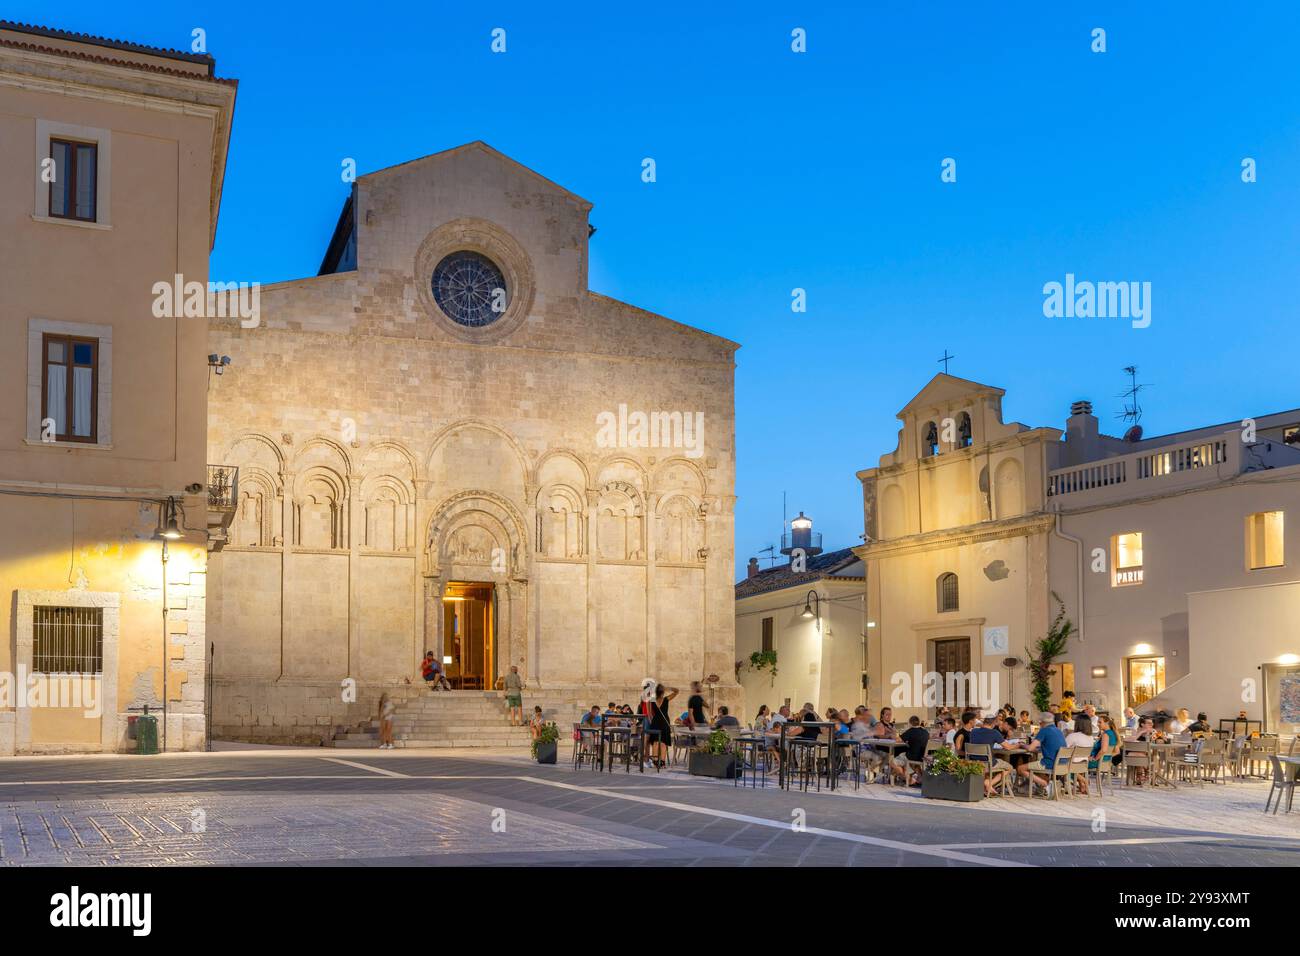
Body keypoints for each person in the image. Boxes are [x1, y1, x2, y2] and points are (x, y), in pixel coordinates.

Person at [969, 716, 1011, 795]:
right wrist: (1018, 745)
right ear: (993, 724)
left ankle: (986, 788)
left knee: (991, 761)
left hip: (973, 762)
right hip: (987, 764)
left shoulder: (973, 731)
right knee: (1009, 767)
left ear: (984, 722)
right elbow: (1008, 747)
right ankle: (989, 783)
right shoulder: (995, 732)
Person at [893, 715, 930, 786]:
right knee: (906, 758)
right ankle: (919, 778)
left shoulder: (911, 731)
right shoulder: (925, 732)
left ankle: (909, 779)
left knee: (892, 762)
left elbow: (897, 740)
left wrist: (893, 734)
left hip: (911, 756)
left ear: (910, 723)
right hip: (922, 757)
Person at [647, 684, 678, 768]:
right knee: (663, 743)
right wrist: (669, 687)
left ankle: (655, 762)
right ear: (663, 692)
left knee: (655, 743)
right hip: (664, 722)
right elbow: (677, 691)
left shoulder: (652, 700)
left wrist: (652, 722)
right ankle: (662, 763)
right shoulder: (666, 699)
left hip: (655, 722)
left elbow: (649, 714)